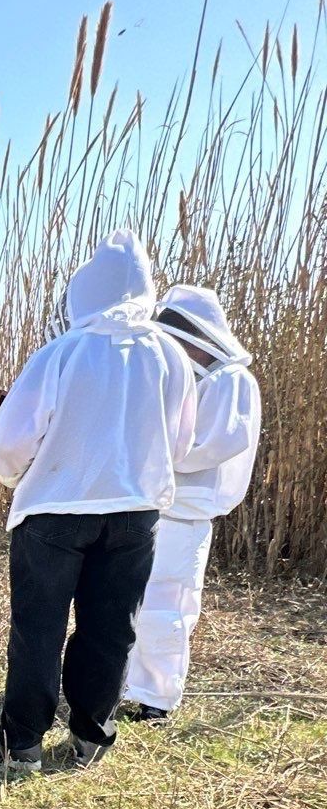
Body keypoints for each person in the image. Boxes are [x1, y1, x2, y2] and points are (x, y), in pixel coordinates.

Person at [0, 228, 196, 774]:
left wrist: (9, 477)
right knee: (111, 628)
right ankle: (91, 738)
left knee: (38, 629)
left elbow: (12, 442)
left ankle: (21, 745)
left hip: (54, 510)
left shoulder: (61, 354)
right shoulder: (170, 355)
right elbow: (181, 441)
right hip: (135, 513)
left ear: (85, 290)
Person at [121, 284, 261, 720]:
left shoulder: (232, 380)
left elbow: (212, 445)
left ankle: (155, 700)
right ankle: (127, 687)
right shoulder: (188, 379)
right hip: (154, 510)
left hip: (187, 516)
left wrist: (151, 445)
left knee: (169, 610)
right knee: (136, 605)